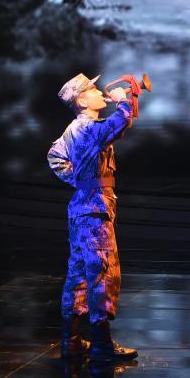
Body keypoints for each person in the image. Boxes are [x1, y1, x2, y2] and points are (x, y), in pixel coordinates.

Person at [48, 73, 138, 363]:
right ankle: (102, 345)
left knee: (78, 275)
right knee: (102, 274)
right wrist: (123, 102)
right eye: (94, 89)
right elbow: (118, 124)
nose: (100, 92)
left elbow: (55, 156)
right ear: (82, 101)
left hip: (82, 208)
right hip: (94, 210)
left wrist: (80, 179)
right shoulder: (88, 127)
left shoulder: (73, 129)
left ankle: (71, 341)